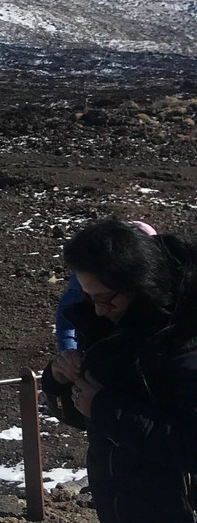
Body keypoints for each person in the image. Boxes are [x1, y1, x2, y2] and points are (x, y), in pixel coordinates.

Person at [42, 218, 197, 523]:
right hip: (121, 500)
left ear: (136, 283)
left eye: (105, 298)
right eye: (87, 296)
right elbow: (91, 420)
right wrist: (60, 380)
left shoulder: (182, 343)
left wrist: (104, 406)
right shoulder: (113, 326)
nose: (97, 309)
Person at [54, 221, 157, 351]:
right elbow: (66, 314)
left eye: (105, 298)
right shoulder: (89, 275)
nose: (99, 311)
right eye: (89, 297)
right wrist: (68, 351)